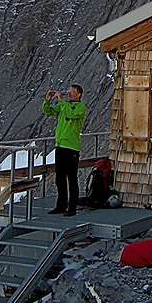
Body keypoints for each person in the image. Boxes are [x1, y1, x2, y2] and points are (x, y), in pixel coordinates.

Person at [42, 84, 87, 216]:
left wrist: (61, 100)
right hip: (60, 146)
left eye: (72, 92)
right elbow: (48, 111)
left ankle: (72, 207)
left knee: (71, 178)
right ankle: (61, 205)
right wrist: (47, 100)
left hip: (72, 147)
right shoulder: (64, 105)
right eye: (69, 92)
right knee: (59, 178)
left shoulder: (80, 107)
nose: (69, 94)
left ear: (79, 94)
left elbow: (71, 114)